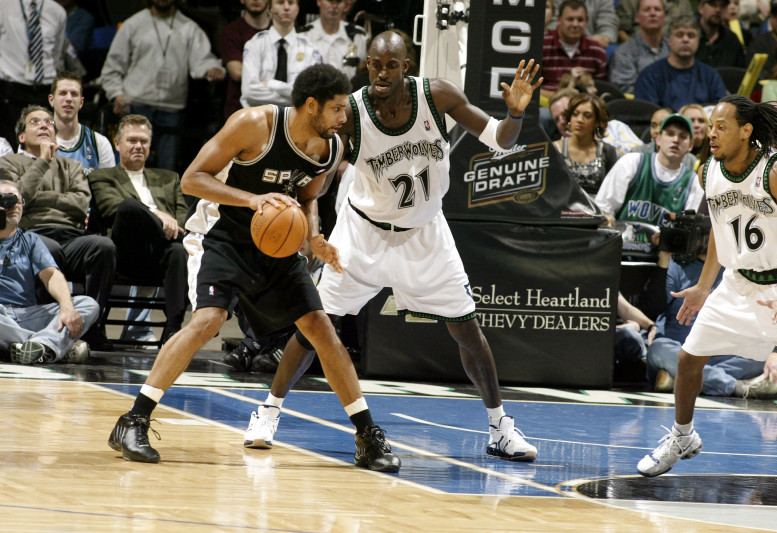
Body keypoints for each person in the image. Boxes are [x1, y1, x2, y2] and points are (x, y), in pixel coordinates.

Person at [252, 31, 542, 463]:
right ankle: (268, 412)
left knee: (466, 329)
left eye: (390, 65)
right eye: (374, 64)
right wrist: (313, 229)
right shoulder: (351, 110)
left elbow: (501, 139)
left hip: (425, 234)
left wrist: (515, 113)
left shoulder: (437, 96)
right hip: (363, 234)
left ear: (407, 66)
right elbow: (320, 171)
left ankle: (500, 426)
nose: (381, 73)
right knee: (314, 327)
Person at [107, 63, 401, 473]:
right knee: (208, 320)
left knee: (320, 326)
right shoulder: (254, 124)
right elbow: (192, 180)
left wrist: (312, 238)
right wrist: (251, 199)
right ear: (311, 104)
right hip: (223, 236)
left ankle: (366, 435)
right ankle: (134, 419)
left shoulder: (329, 147)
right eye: (336, 109)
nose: (342, 118)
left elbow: (308, 197)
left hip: (276, 247)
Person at [637, 95, 777, 477]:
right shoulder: (708, 169)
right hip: (738, 285)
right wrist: (704, 285)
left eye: (721, 127)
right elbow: (719, 230)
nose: (711, 134)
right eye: (710, 126)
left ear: (746, 131)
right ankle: (682, 436)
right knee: (687, 359)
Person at [0, 105, 116, 351]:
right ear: (21, 137)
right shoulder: (9, 163)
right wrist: (42, 162)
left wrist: (38, 198)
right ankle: (51, 340)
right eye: (35, 122)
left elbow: (80, 203)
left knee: (103, 246)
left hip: (72, 236)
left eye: (48, 122)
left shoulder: (71, 165)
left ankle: (86, 326)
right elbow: (20, 198)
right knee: (45, 246)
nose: (44, 125)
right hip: (36, 233)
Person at [87, 114, 189, 343]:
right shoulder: (102, 177)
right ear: (117, 143)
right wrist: (158, 215)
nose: (138, 146)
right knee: (128, 207)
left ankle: (173, 331)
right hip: (124, 253)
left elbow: (182, 219)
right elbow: (111, 209)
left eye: (143, 141)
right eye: (132, 140)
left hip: (161, 254)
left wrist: (169, 221)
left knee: (179, 251)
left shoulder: (168, 178)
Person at [100, 0, 226, 171]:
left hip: (171, 108)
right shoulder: (133, 24)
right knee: (130, 165)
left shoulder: (189, 27)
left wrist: (212, 69)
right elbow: (113, 66)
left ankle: (164, 198)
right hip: (137, 104)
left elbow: (202, 60)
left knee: (167, 169)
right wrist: (116, 94)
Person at [646, 248, 777, 397]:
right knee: (658, 347)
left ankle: (683, 378)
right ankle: (735, 387)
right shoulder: (675, 265)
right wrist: (664, 260)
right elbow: (652, 308)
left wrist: (774, 353)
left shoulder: (737, 268)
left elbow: (760, 313)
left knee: (764, 355)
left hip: (721, 353)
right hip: (681, 352)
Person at [0, 179, 99, 365]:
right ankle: (52, 346)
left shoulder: (30, 240)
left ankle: (30, 346)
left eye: (18, 201)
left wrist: (66, 307)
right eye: (5, 200)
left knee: (88, 304)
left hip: (27, 315)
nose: (13, 206)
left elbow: (52, 275)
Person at [595, 113, 704, 226]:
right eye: (670, 134)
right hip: (622, 241)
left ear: (690, 145)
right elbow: (604, 209)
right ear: (658, 139)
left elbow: (690, 229)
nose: (676, 140)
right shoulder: (632, 162)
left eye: (682, 136)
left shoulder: (694, 183)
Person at [0, 0, 68, 145]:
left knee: (44, 147)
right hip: (11, 90)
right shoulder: (3, 6)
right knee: (12, 148)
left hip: (45, 90)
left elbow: (57, 53)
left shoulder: (57, 12)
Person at [634, 16, 729, 109]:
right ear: (669, 41)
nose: (685, 40)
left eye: (691, 35)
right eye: (679, 35)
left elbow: (721, 114)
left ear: (698, 41)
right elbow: (647, 116)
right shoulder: (650, 76)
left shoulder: (711, 76)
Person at [240, 0, 322, 108]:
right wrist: (293, 97)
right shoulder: (254, 45)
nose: (286, 7)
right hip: (259, 119)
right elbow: (249, 91)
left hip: (296, 120)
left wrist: (271, 84)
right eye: (280, 2)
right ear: (269, 9)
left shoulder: (310, 50)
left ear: (297, 9)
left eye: (291, 3)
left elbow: (311, 94)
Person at [49, 71, 116, 173]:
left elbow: (107, 187)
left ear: (81, 102)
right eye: (63, 93)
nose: (68, 99)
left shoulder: (99, 143)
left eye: (74, 94)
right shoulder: (35, 139)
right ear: (51, 100)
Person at [541, 0, 608, 98]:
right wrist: (560, 97)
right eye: (570, 19)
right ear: (559, 20)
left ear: (586, 22)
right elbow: (530, 86)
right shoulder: (542, 45)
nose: (575, 24)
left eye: (580, 20)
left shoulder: (597, 50)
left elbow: (600, 89)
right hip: (545, 106)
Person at [554, 93, 618, 195]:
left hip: (597, 208)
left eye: (587, 116)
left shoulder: (607, 151)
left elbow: (613, 192)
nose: (579, 120)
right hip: (563, 208)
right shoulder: (555, 149)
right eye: (575, 114)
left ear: (597, 121)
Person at [220, 0, 271, 119]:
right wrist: (273, 75)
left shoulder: (277, 31)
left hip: (273, 109)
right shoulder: (232, 31)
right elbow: (236, 72)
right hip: (239, 112)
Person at [609, 0, 671, 94]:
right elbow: (624, 89)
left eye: (657, 9)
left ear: (664, 16)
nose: (653, 13)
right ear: (637, 17)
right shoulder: (623, 53)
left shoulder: (673, 49)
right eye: (647, 10)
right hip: (640, 106)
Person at [301, 0, 367, 81]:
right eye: (330, 1)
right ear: (319, 1)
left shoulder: (358, 36)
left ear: (346, 5)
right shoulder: (304, 36)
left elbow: (364, 75)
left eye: (339, 1)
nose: (334, 6)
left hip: (349, 92)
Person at [695, 0, 746, 68]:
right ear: (701, 8)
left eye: (722, 6)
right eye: (713, 4)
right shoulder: (689, 36)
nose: (718, 10)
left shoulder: (732, 40)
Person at [549, 0, 620, 47]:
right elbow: (552, 23)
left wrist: (604, 37)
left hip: (593, 44)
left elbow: (609, 23)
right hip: (560, 41)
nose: (575, 24)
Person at [617, 0, 692, 42]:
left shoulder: (683, 3)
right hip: (638, 51)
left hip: (675, 52)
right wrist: (635, 48)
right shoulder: (630, 1)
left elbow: (690, 30)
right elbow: (621, 31)